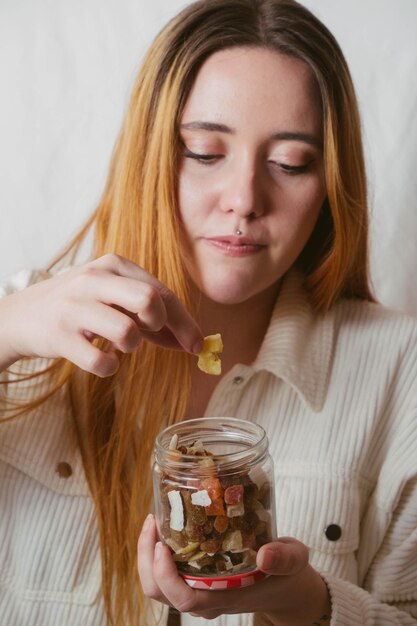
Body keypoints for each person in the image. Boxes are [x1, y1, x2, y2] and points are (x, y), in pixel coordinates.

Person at [0, 0, 416, 625]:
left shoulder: (398, 364)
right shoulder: (29, 328)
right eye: (203, 151)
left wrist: (305, 604)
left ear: (329, 182)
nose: (245, 199)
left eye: (290, 163)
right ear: (151, 155)